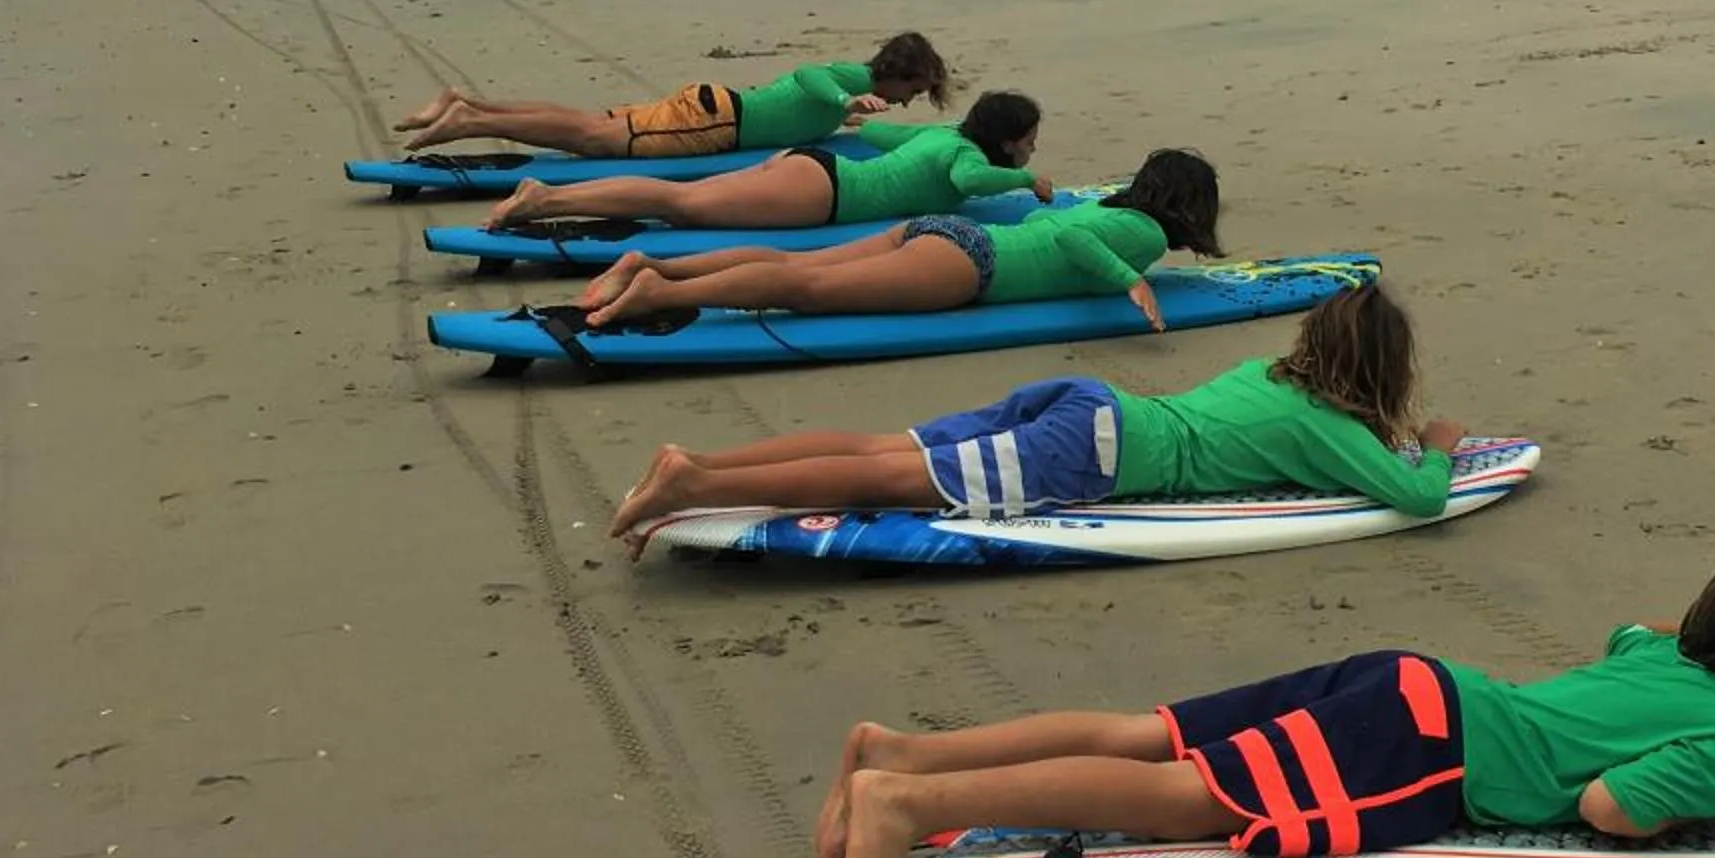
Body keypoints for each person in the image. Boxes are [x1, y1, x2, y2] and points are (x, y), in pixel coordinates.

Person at [810, 526, 1715, 858]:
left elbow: (1628, 635)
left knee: (1148, 733)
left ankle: (905, 753)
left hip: (1407, 680)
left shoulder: (1668, 654)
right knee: (1192, 798)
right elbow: (1614, 811)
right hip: (1432, 755)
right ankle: (914, 805)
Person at [606, 279, 1464, 547]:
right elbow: (1417, 497)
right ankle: (692, 484)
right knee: (897, 481)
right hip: (1096, 452)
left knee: (884, 445)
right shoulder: (1324, 427)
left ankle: (704, 463)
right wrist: (1436, 448)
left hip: (1089, 402)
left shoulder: (1265, 375)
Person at [573, 146, 1222, 335]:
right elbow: (1078, 245)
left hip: (949, 235)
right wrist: (1130, 280)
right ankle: (658, 292)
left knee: (795, 263)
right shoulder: (1142, 236)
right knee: (806, 288)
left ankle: (655, 264)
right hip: (969, 267)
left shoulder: (1108, 209)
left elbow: (1060, 229)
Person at [482, 90, 1051, 235]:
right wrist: (1029, 180)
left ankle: (549, 197)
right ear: (1006, 142)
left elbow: (885, 133)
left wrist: (861, 123)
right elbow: (970, 179)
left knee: (682, 200)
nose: (1032, 148)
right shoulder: (964, 155)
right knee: (679, 204)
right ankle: (545, 199)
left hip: (811, 167)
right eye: (1029, 140)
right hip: (822, 195)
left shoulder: (942, 134)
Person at [394, 31, 952, 159]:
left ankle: (466, 102)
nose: (910, 101)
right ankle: (470, 124)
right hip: (714, 122)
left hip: (712, 107)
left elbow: (815, 100)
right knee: (590, 139)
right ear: (895, 73)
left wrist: (845, 114)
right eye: (914, 90)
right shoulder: (852, 80)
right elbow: (809, 75)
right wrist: (844, 104)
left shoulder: (859, 88)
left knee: (586, 122)